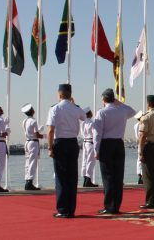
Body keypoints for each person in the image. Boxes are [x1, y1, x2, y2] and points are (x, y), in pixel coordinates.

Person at [92, 88, 136, 215]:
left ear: (104, 99)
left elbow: (97, 133)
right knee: (118, 175)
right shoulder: (122, 110)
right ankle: (116, 205)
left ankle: (109, 206)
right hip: (119, 144)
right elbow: (133, 111)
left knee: (108, 176)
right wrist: (119, 103)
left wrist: (96, 149)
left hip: (106, 144)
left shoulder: (102, 112)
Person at [46, 84, 86, 218]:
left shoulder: (55, 109)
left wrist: (50, 147)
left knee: (61, 177)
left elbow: (50, 130)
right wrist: (74, 104)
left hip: (60, 143)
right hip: (73, 143)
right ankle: (71, 209)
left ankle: (63, 209)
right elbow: (84, 117)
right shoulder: (76, 108)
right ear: (70, 94)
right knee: (72, 176)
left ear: (60, 94)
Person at [21, 103, 43, 191]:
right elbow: (37, 135)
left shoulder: (24, 121)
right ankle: (29, 182)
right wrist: (44, 136)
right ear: (31, 111)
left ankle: (27, 181)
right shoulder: (33, 121)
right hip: (33, 142)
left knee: (27, 162)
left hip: (27, 142)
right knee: (32, 163)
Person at [81, 107, 98, 187]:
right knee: (91, 161)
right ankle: (88, 180)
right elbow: (95, 134)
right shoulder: (92, 122)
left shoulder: (83, 123)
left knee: (85, 161)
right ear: (90, 113)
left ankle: (85, 179)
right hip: (91, 142)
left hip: (85, 142)